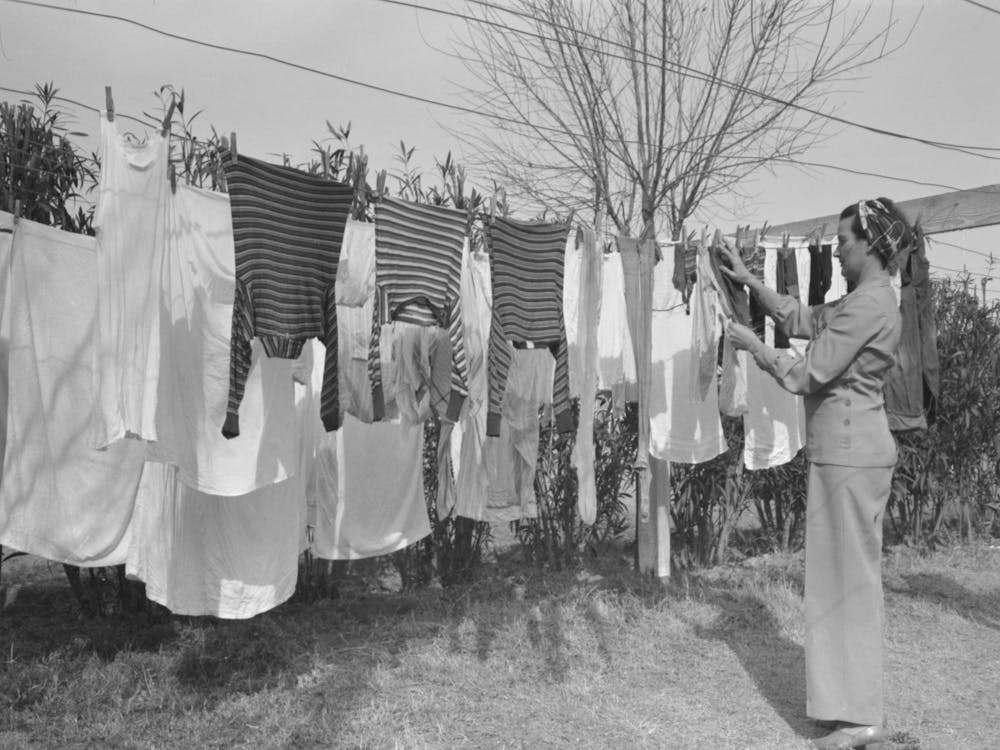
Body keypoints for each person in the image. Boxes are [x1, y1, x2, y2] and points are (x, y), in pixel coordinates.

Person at [720, 198, 911, 750]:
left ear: (873, 245)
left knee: (851, 586)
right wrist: (751, 282)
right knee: (839, 585)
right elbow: (804, 319)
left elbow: (807, 372)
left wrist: (754, 347)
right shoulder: (866, 300)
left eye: (846, 240)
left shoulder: (870, 305)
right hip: (845, 452)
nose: (839, 250)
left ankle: (864, 718)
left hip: (852, 455)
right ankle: (850, 709)